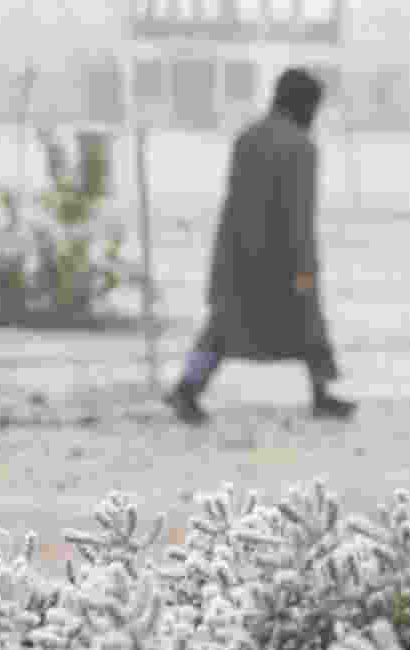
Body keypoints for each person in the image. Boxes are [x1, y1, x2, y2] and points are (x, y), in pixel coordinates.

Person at [165, 67, 356, 425]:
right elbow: (299, 214)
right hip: (283, 259)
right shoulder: (301, 148)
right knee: (310, 324)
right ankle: (321, 395)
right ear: (305, 105)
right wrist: (305, 267)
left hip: (238, 253)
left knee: (220, 330)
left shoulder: (247, 137)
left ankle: (187, 388)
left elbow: (236, 201)